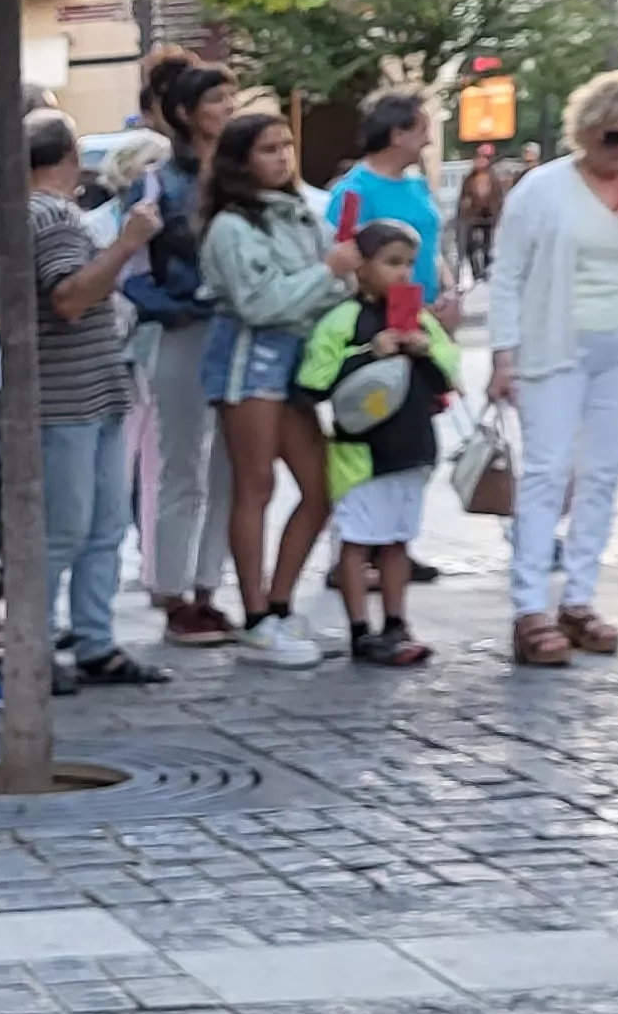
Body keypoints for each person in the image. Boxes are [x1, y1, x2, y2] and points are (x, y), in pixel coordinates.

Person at [480, 68, 618, 667]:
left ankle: (581, 597)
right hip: (555, 344)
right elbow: (508, 273)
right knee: (546, 472)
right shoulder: (543, 189)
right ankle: (529, 608)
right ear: (586, 133)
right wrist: (503, 354)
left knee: (603, 473)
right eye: (611, 138)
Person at [20, 113, 171, 688]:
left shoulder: (36, 214)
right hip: (69, 395)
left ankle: (91, 640)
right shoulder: (54, 216)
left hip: (86, 390)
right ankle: (53, 643)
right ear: (69, 156)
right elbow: (69, 297)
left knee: (100, 525)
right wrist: (127, 245)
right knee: (72, 528)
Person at [199, 110, 353, 668]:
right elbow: (262, 303)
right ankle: (257, 615)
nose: (283, 157)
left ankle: (281, 604)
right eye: (268, 148)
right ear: (242, 161)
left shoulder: (298, 213)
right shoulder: (231, 226)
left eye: (287, 146)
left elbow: (324, 287)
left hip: (298, 360)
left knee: (320, 487)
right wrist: (327, 275)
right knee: (255, 485)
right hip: (250, 357)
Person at [294, 221, 455, 666]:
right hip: (360, 454)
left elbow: (449, 373)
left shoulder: (420, 319)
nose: (403, 274)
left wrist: (428, 350)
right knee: (358, 541)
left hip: (412, 447)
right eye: (391, 263)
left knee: (399, 540)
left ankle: (396, 620)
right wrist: (368, 353)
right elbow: (314, 381)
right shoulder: (342, 320)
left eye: (409, 264)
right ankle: (360, 628)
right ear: (361, 268)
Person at [124, 56, 243, 648]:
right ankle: (171, 590)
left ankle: (207, 587)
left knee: (230, 465)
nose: (228, 109)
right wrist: (175, 307)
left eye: (231, 97)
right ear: (185, 113)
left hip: (243, 330)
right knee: (180, 464)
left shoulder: (247, 176)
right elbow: (131, 267)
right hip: (185, 329)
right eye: (216, 99)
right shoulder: (156, 180)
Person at [327, 94, 448, 318]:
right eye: (422, 131)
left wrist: (449, 292)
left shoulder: (418, 185)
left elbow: (432, 246)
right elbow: (347, 267)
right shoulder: (353, 192)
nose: (428, 141)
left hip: (431, 315)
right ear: (397, 135)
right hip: (386, 323)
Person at [457, 140, 506, 283]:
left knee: (488, 246)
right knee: (470, 246)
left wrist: (497, 214)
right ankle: (476, 272)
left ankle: (487, 271)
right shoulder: (470, 178)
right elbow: (463, 197)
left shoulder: (494, 178)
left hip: (489, 217)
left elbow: (498, 198)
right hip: (472, 217)